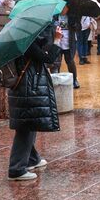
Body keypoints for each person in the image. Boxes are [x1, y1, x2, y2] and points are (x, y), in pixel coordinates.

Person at [7, 23, 62, 181]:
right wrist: (56, 41)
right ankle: (16, 169)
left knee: (29, 124)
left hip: (26, 86)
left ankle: (32, 159)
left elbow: (39, 49)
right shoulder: (25, 41)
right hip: (27, 87)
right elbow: (47, 58)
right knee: (25, 127)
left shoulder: (21, 37)